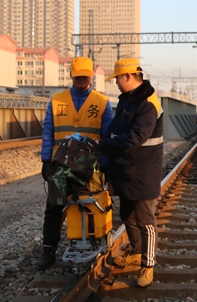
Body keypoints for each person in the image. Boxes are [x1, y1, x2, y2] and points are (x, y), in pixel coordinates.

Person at [35, 57, 113, 269]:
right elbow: (48, 131)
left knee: (90, 204)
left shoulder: (102, 102)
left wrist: (106, 165)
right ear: (71, 75)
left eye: (85, 76)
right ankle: (48, 250)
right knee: (54, 207)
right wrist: (45, 160)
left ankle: (92, 243)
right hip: (60, 165)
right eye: (78, 76)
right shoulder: (56, 100)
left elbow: (107, 136)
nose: (81, 80)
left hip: (91, 168)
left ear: (91, 76)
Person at [99, 58, 164, 288]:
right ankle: (136, 252)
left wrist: (104, 145)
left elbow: (137, 136)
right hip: (126, 168)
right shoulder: (127, 100)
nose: (116, 82)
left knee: (146, 220)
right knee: (127, 215)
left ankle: (148, 266)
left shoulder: (147, 103)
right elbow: (115, 130)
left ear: (127, 76)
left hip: (143, 170)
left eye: (117, 78)